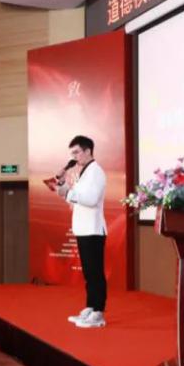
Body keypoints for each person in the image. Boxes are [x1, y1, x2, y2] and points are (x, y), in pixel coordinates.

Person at [57, 135, 108, 328]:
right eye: (72, 153)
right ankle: (90, 306)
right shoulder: (84, 172)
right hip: (83, 228)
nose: (74, 157)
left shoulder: (96, 172)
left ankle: (98, 312)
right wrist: (62, 185)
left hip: (93, 229)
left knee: (95, 272)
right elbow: (75, 197)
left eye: (77, 152)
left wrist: (69, 193)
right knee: (89, 272)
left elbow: (91, 199)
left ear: (88, 151)